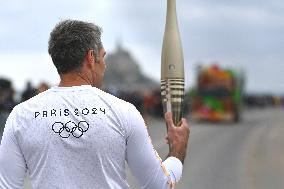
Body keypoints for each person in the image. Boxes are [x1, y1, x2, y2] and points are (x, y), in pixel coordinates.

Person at [0, 20, 190, 189]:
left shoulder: (21, 115)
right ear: (91, 57)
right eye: (103, 56)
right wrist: (177, 150)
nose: (105, 65)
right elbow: (159, 185)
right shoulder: (123, 111)